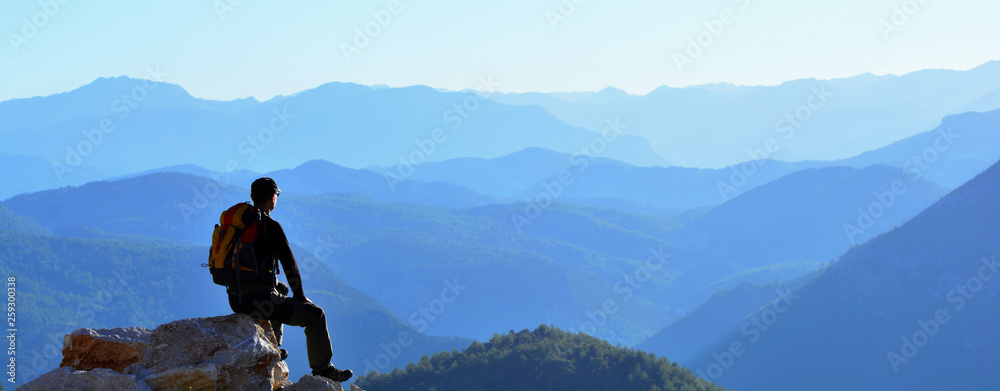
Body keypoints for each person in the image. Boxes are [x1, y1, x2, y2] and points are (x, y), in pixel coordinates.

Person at [228, 177, 353, 382]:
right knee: (316, 316)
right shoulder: (270, 226)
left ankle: (273, 346)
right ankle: (323, 369)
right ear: (273, 198)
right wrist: (301, 296)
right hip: (260, 301)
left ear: (251, 197)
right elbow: (290, 265)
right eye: (276, 195)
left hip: (236, 298)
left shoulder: (237, 224)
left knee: (281, 289)